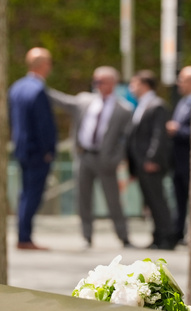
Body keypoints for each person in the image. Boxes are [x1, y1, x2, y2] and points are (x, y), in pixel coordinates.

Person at [49, 66, 134, 248]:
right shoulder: (84, 101)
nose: (96, 85)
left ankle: (123, 236)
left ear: (112, 83)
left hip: (106, 160)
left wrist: (116, 158)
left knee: (113, 200)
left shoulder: (123, 109)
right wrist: (40, 86)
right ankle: (86, 236)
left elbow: (125, 139)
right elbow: (62, 101)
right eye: (95, 81)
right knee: (83, 198)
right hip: (84, 157)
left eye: (100, 81)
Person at [8, 47, 58, 250]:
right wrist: (48, 150)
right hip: (37, 151)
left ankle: (23, 234)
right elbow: (43, 125)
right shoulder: (38, 90)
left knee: (25, 193)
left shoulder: (16, 87)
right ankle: (24, 237)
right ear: (44, 65)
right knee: (32, 194)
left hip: (21, 148)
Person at [127, 70, 176, 250]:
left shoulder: (157, 105)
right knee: (150, 202)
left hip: (151, 164)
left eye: (135, 83)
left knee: (157, 201)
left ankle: (167, 237)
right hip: (140, 164)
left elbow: (158, 135)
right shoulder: (141, 105)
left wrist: (152, 158)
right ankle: (157, 237)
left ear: (145, 85)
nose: (132, 88)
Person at [167, 66, 191, 245]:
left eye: (182, 79)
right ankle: (178, 233)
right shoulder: (182, 102)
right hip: (177, 161)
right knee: (178, 198)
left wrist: (178, 130)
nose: (179, 83)